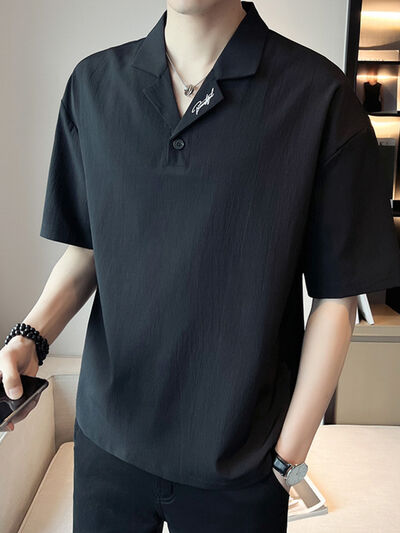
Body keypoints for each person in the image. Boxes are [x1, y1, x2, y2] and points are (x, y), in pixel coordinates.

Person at [2, 1, 400, 532]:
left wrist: (288, 459)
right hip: (108, 445)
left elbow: (338, 293)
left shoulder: (319, 98)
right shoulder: (93, 87)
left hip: (241, 461)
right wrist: (32, 335)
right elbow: (88, 250)